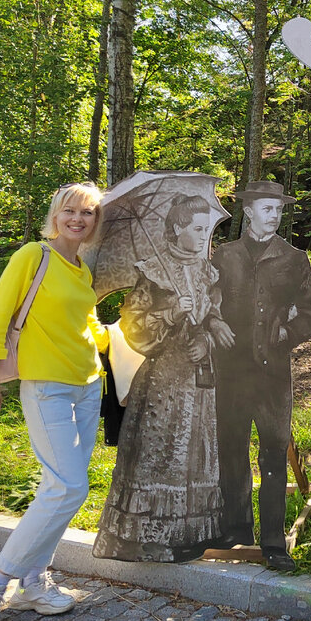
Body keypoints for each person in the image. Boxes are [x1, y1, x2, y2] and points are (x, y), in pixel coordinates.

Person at [0, 182, 107, 621]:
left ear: (94, 222)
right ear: (56, 214)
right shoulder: (34, 255)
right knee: (69, 485)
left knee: (59, 488)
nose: (78, 219)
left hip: (88, 386)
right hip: (46, 388)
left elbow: (87, 328)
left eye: (87, 213)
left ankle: (32, 581)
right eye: (70, 211)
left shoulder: (82, 267)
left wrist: (134, 329)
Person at [93, 194, 234, 562]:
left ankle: (189, 536)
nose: (206, 237)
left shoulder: (208, 272)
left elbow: (214, 316)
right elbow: (132, 327)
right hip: (162, 384)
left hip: (198, 380)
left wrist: (205, 339)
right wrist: (171, 312)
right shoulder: (152, 270)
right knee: (161, 457)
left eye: (208, 229)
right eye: (198, 229)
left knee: (194, 458)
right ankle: (147, 540)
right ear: (176, 228)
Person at [213, 181, 311, 570]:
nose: (274, 217)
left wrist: (287, 333)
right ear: (248, 212)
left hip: (273, 375)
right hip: (229, 373)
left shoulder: (294, 260)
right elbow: (205, 304)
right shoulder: (223, 257)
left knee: (274, 455)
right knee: (231, 452)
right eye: (266, 209)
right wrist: (213, 325)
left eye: (278, 210)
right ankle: (237, 531)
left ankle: (274, 543)